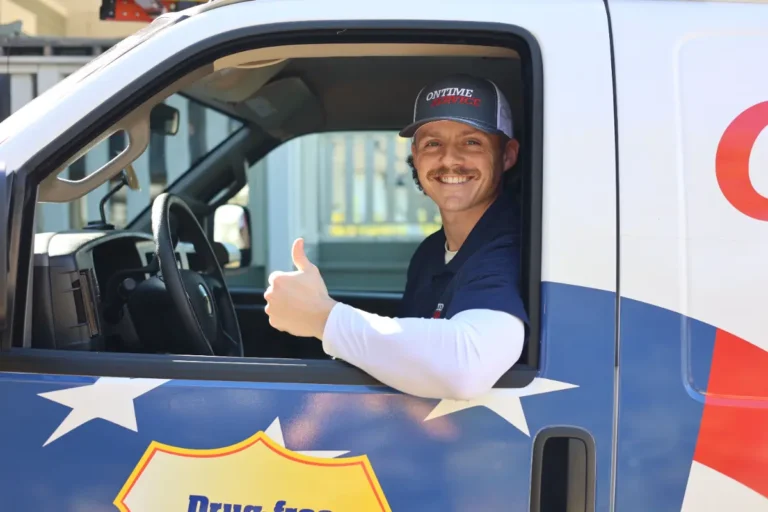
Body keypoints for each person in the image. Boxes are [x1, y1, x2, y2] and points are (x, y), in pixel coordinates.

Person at [263, 74, 528, 400]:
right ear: (415, 156)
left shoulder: (512, 246)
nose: (449, 160)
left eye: (471, 142)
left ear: (507, 155)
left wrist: (322, 317)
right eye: (433, 144)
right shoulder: (431, 252)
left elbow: (466, 368)